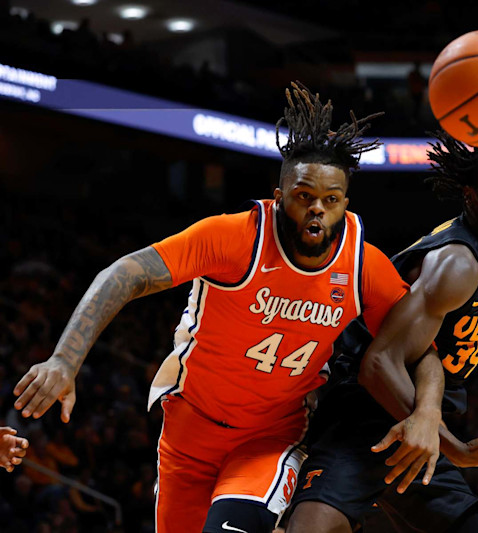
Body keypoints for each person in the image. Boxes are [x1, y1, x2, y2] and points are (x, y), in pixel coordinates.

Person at [12, 83, 444, 533]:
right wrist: (64, 359)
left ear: (344, 204)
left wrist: (428, 414)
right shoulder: (233, 238)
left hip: (271, 438)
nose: (317, 210)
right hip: (188, 431)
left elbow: (423, 351)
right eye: (303, 197)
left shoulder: (361, 265)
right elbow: (122, 274)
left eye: (330, 200)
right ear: (280, 196)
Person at [287, 131, 478, 533]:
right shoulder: (457, 264)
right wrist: (456, 448)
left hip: (412, 423)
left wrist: (438, 429)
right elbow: (379, 363)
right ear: (470, 195)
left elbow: (427, 355)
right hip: (362, 415)